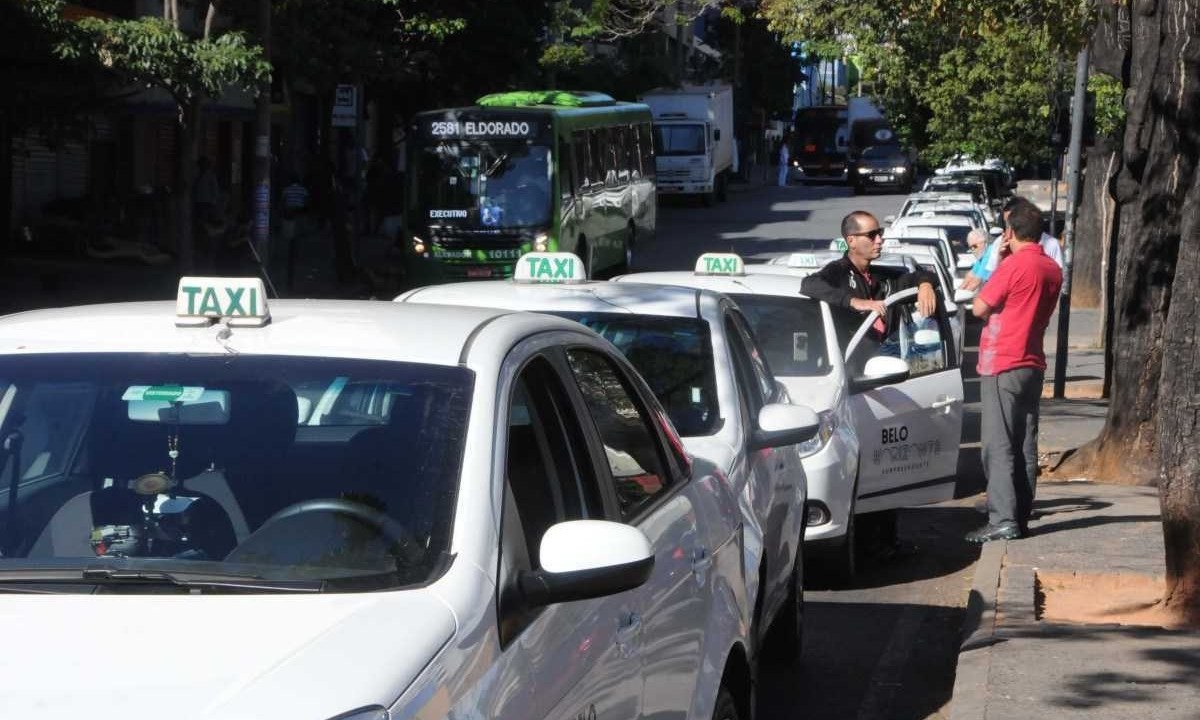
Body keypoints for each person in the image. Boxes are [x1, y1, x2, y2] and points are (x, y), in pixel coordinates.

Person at [801, 210, 940, 558]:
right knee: (861, 471)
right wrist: (855, 303)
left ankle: (884, 540)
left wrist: (924, 284)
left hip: (884, 383)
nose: (880, 239)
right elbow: (810, 286)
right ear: (851, 241)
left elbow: (918, 273)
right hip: (850, 387)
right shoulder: (838, 274)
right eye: (872, 234)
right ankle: (866, 542)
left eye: (880, 234)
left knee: (886, 469)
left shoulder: (881, 278)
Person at [966, 198, 1063, 543]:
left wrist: (1002, 261)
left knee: (997, 443)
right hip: (1032, 361)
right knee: (1024, 442)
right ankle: (1020, 515)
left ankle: (1002, 519)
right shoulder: (1052, 268)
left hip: (1002, 359)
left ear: (1010, 232)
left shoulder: (1012, 267)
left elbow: (980, 306)